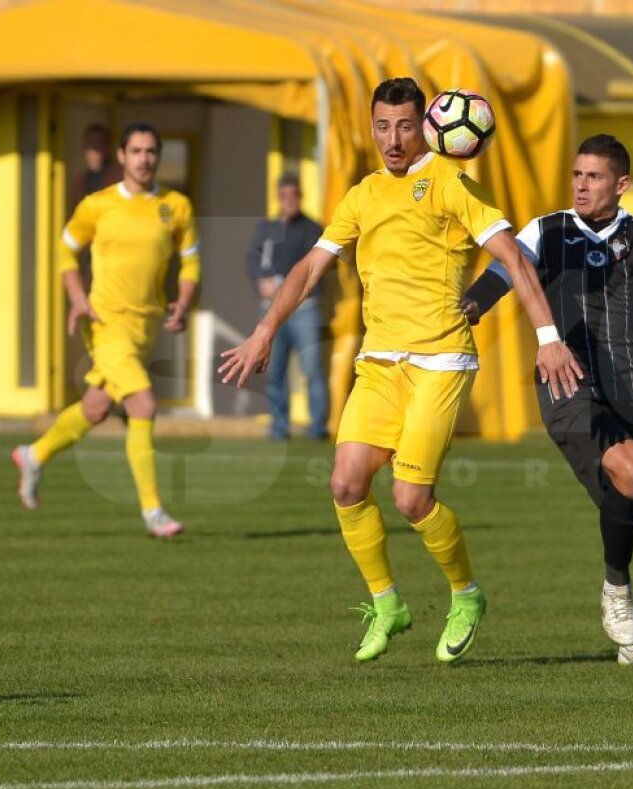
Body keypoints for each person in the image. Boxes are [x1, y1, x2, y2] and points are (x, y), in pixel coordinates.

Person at [218, 78, 580, 665]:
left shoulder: (452, 183)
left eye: (405, 126)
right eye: (382, 126)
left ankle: (466, 593)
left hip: (441, 360)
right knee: (344, 484)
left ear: (428, 126)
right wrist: (264, 331)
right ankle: (387, 604)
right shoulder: (362, 194)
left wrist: (548, 339)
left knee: (411, 499)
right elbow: (312, 266)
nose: (392, 138)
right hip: (380, 362)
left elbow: (514, 257)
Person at [462, 134, 633, 668]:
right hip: (569, 388)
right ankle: (615, 591)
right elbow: (500, 276)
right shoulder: (546, 230)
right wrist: (469, 306)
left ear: (621, 184)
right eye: (578, 175)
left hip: (632, 391)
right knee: (632, 469)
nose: (582, 186)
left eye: (594, 177)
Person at [11, 123, 199, 538]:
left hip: (146, 324)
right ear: (121, 156)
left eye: (151, 151)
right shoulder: (97, 206)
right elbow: (64, 249)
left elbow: (190, 263)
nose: (144, 159)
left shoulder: (176, 206)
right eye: (136, 151)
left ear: (158, 156)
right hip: (105, 321)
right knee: (143, 405)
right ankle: (153, 511)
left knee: (96, 408)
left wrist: (183, 302)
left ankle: (34, 454)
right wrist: (77, 297)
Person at [246, 173, 327, 440]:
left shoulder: (312, 229)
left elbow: (316, 268)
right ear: (278, 197)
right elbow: (253, 258)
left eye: (293, 195)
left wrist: (285, 289)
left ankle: (317, 428)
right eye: (284, 195)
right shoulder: (267, 229)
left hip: (304, 310)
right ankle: (278, 426)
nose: (288, 200)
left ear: (300, 197)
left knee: (312, 369)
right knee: (273, 370)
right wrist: (261, 281)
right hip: (271, 311)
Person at [69, 123, 123, 209]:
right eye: (90, 143)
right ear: (84, 147)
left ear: (108, 147)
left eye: (99, 142)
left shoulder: (119, 178)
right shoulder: (78, 181)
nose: (95, 148)